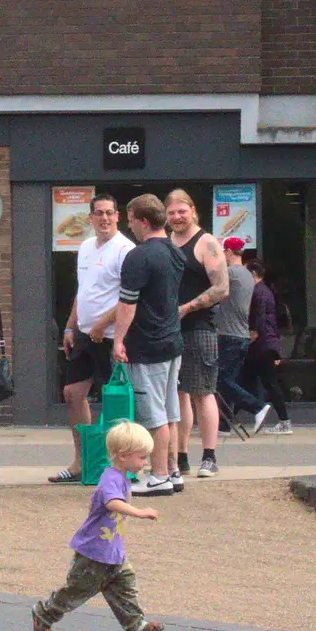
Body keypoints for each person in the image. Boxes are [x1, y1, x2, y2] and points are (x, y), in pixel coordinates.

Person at [31, 421, 164, 631]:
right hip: (94, 551)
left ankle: (135, 626)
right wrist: (139, 512)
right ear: (123, 455)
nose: (145, 462)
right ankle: (46, 613)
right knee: (78, 589)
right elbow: (112, 503)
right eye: (142, 457)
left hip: (111, 550)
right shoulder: (110, 479)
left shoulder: (121, 477)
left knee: (125, 585)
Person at [52, 193, 133, 483]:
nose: (104, 218)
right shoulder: (85, 247)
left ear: (118, 216)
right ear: (90, 217)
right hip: (84, 334)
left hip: (111, 336)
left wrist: (101, 325)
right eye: (98, 213)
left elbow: (129, 297)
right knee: (72, 394)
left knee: (116, 402)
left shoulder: (125, 249)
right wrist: (70, 326)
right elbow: (83, 291)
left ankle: (121, 467)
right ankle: (82, 462)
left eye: (110, 213)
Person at [110, 195, 184, 497]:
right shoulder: (175, 252)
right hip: (171, 342)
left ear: (142, 221)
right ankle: (174, 471)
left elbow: (127, 304)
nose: (129, 226)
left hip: (147, 346)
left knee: (153, 416)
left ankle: (160, 476)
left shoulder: (139, 256)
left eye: (129, 219)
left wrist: (117, 340)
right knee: (169, 412)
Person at [166, 190, 229, 482]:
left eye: (182, 211)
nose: (177, 217)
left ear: (193, 211)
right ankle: (180, 457)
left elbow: (221, 288)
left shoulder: (206, 242)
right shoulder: (165, 243)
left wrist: (188, 307)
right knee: (178, 395)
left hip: (200, 328)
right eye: (171, 212)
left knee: (203, 392)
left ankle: (209, 457)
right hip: (170, 330)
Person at [214, 237, 272, 435]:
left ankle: (257, 407)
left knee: (221, 380)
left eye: (223, 251)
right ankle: (224, 424)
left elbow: (213, 290)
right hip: (241, 335)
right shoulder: (248, 275)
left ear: (229, 252)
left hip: (228, 334)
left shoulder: (230, 273)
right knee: (229, 380)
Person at [245, 259, 292, 434]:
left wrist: (247, 340)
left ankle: (284, 421)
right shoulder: (263, 291)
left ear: (253, 275)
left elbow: (257, 322)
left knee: (269, 383)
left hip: (262, 346)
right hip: (264, 345)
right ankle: (228, 422)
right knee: (247, 380)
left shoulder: (259, 293)